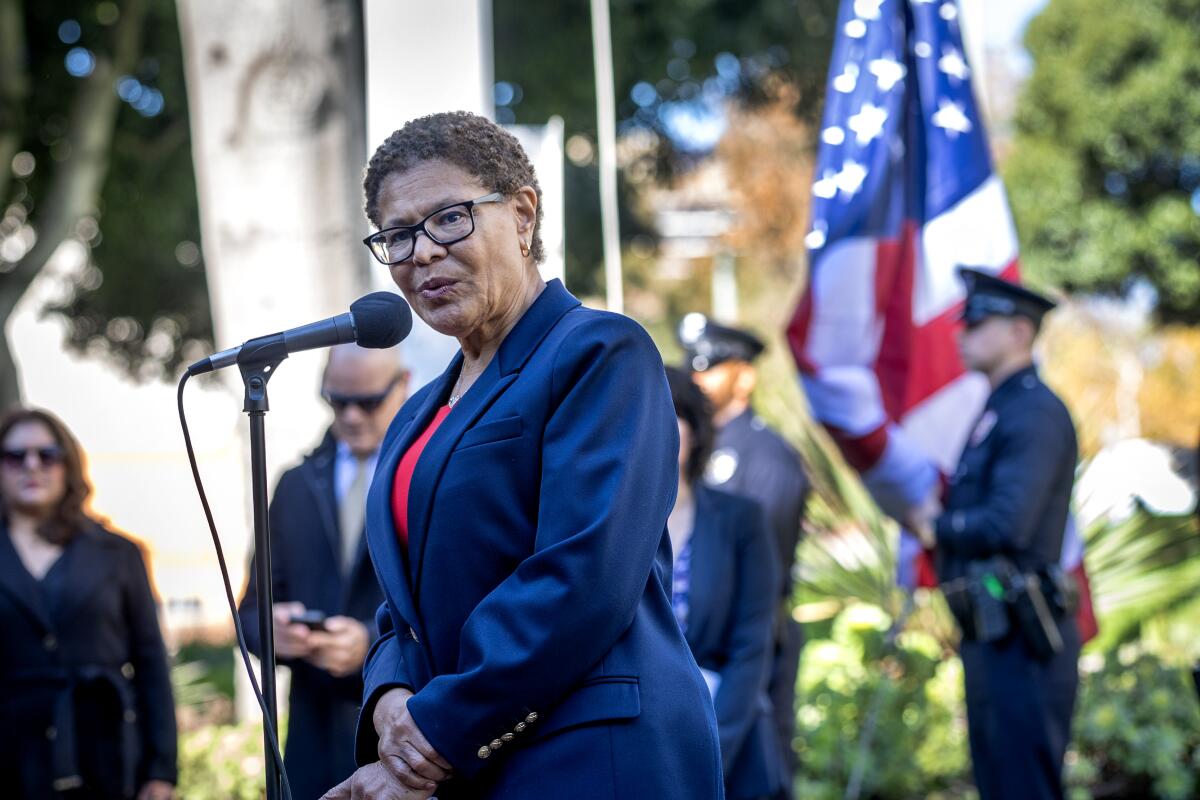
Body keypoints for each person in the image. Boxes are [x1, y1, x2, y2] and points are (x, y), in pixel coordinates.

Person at [323, 110, 722, 800]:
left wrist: (432, 736)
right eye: (396, 236)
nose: (420, 252)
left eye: (448, 218)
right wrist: (388, 697)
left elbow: (581, 578)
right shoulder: (416, 415)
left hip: (592, 757)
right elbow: (400, 607)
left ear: (523, 215)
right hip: (476, 766)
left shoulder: (598, 352)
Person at [908, 269, 1080, 800]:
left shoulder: (1034, 412)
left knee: (1022, 784)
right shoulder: (1003, 407)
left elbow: (1009, 523)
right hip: (993, 629)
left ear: (1020, 333)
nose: (962, 334)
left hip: (1024, 636)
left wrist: (935, 527)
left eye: (979, 323)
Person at [238, 344, 408, 800]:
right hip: (311, 743)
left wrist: (370, 645)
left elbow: (455, 608)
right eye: (336, 401)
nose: (351, 415)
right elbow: (252, 609)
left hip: (398, 741)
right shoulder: (294, 483)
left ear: (403, 384)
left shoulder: (426, 475)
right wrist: (273, 632)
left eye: (368, 401)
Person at [0, 407, 177, 799]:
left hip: (106, 757)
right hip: (13, 760)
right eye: (15, 456)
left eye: (47, 454)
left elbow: (151, 663)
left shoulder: (118, 553)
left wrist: (162, 771)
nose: (32, 465)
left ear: (68, 465)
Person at [679, 313, 810, 786]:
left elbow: (763, 569)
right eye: (694, 367)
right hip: (705, 660)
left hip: (752, 650)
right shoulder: (695, 450)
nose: (699, 376)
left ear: (745, 375)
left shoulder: (766, 455)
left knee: (758, 769)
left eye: (712, 366)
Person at [664, 367, 787, 800]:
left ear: (696, 431)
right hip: (640, 738)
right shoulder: (608, 525)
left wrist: (714, 748)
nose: (657, 426)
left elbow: (752, 646)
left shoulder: (741, 520)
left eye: (672, 414)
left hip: (726, 733)